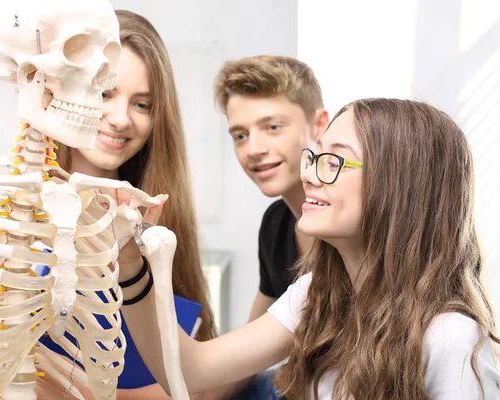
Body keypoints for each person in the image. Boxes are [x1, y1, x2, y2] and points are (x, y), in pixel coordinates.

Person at [121, 98, 500, 399]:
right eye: (315, 156)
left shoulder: (450, 338)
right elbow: (192, 371)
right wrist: (130, 262)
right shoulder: (315, 293)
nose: (307, 173)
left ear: (401, 185)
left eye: (333, 160)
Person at [36, 9, 218, 399]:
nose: (120, 119)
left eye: (143, 105)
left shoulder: (155, 226)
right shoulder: (8, 217)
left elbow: (200, 382)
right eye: (105, 93)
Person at [212, 55, 328, 397]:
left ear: (319, 125)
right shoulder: (276, 224)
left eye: (273, 127)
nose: (254, 150)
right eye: (240, 135)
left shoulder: (355, 224)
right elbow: (249, 351)